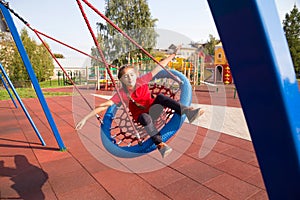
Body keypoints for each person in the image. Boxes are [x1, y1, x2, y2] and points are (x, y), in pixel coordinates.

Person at [75, 51, 204, 158]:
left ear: (136, 75)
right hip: (141, 117)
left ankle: (188, 112)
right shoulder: (121, 94)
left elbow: (159, 66)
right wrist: (85, 118)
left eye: (131, 75)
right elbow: (104, 105)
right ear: (121, 80)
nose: (129, 78)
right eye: (125, 77)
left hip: (154, 109)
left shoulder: (143, 80)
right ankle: (160, 145)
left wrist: (172, 55)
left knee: (159, 97)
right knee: (145, 118)